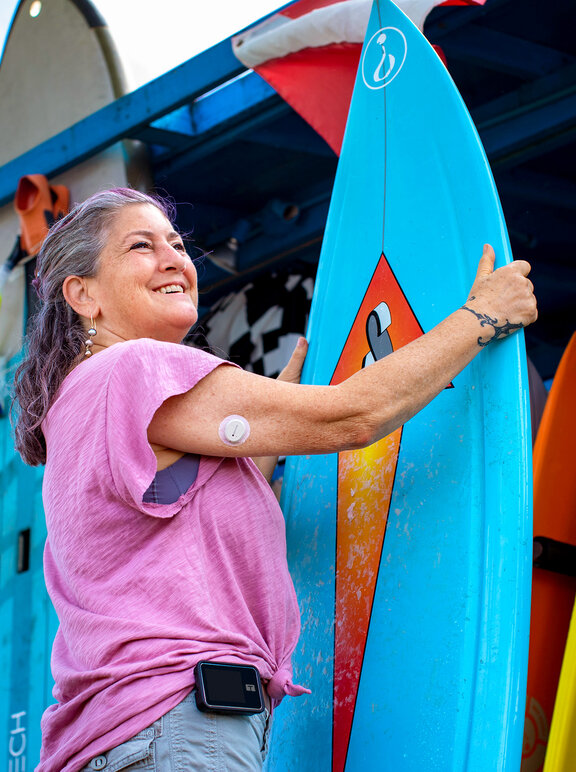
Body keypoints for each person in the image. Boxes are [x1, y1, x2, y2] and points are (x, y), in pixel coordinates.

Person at [13, 188, 537, 772]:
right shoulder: (137, 368)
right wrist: (482, 318)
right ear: (82, 295)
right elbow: (353, 415)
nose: (173, 259)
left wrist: (268, 431)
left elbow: (180, 520)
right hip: (174, 727)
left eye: (176, 244)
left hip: (118, 739)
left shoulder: (78, 407)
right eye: (141, 246)